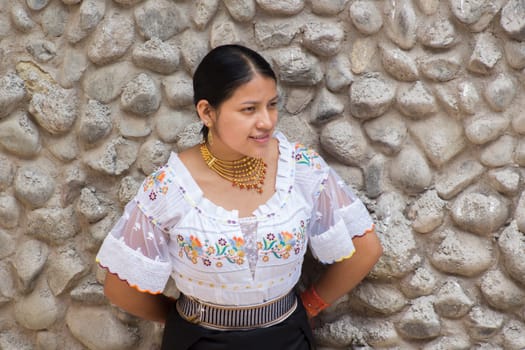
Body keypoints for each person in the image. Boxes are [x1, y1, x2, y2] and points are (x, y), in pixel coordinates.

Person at [96, 44, 383, 350]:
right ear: (207, 112)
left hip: (287, 340)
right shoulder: (171, 188)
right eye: (249, 109)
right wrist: (185, 320)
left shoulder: (299, 168)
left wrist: (309, 306)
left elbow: (365, 250)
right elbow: (120, 288)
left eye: (272, 105)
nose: (267, 121)